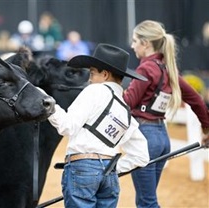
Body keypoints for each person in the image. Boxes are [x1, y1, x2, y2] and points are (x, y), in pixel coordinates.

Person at [47, 43, 150, 207]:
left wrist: (49, 106)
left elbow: (67, 126)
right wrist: (112, 169)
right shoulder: (125, 111)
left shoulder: (94, 91)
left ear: (105, 74)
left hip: (82, 168)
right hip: (109, 175)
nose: (89, 79)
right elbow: (141, 156)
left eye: (93, 73)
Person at [123, 20, 209, 208]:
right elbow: (197, 100)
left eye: (135, 40)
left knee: (147, 202)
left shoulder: (145, 68)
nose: (132, 45)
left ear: (145, 43)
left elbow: (128, 102)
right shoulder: (167, 69)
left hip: (145, 139)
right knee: (147, 199)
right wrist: (206, 128)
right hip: (162, 139)